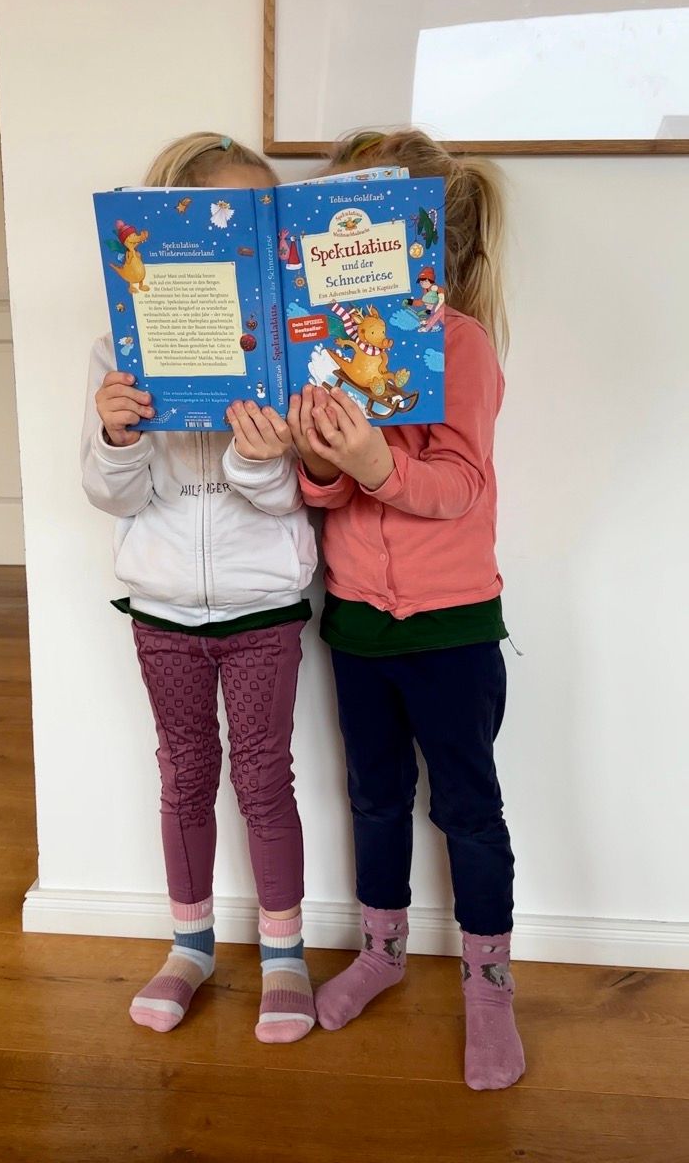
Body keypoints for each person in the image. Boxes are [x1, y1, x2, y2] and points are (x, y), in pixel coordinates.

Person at [286, 128, 524, 1090]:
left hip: (452, 623)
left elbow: (459, 484)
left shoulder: (459, 345)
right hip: (356, 620)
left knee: (466, 808)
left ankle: (488, 985)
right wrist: (322, 464)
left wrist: (374, 461)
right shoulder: (325, 347)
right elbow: (327, 494)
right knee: (373, 796)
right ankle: (380, 951)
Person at [81, 133, 317, 1044]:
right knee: (184, 775)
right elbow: (111, 494)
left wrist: (260, 460)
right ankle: (190, 946)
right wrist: (118, 436)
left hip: (264, 605)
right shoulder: (117, 348)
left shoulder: (290, 346)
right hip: (163, 607)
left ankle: (284, 955)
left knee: (263, 777)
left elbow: (293, 497)